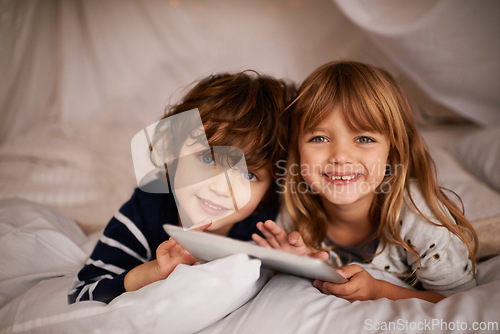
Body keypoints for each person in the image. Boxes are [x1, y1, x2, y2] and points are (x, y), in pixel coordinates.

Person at [253, 60, 477, 303]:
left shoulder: (419, 216)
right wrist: (299, 262)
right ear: (297, 150)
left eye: (364, 139)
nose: (340, 156)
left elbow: (460, 301)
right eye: (319, 138)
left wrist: (379, 291)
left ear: (392, 153)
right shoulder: (295, 213)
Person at [68, 71, 295, 304]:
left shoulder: (268, 228)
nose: (221, 188)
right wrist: (153, 272)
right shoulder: (147, 210)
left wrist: (289, 266)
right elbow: (83, 293)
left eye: (249, 174)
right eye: (208, 159)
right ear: (172, 149)